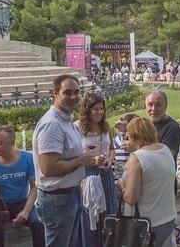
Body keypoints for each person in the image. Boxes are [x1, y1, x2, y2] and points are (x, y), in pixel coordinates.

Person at [32, 75, 98, 247]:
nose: (74, 97)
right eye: (67, 92)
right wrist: (80, 161)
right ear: (55, 93)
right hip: (57, 199)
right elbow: (49, 168)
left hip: (70, 195)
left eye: (77, 92)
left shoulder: (66, 120)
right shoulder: (52, 125)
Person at [144, 90, 180, 246]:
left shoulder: (172, 127)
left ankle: (175, 234)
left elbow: (165, 155)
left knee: (163, 230)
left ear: (165, 106)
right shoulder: (145, 125)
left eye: (158, 105)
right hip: (146, 183)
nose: (153, 109)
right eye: (150, 105)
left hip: (163, 184)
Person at [0, 126, 45, 247]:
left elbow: (34, 186)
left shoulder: (27, 158)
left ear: (12, 143)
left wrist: (26, 211)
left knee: (38, 222)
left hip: (21, 202)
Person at [118, 117, 177, 247]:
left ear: (135, 136)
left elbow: (131, 198)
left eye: (129, 136)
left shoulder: (137, 158)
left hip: (146, 224)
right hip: (168, 218)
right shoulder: (166, 150)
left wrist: (122, 188)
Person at [74, 92, 118, 247]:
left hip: (106, 175)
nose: (99, 112)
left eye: (101, 109)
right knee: (89, 217)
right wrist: (91, 161)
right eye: (95, 109)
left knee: (108, 216)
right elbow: (73, 154)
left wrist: (110, 159)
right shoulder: (77, 127)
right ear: (87, 109)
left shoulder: (105, 127)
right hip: (88, 177)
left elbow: (112, 148)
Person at [113, 113, 137, 180]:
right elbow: (113, 163)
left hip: (134, 179)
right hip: (119, 182)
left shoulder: (138, 142)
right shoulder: (114, 142)